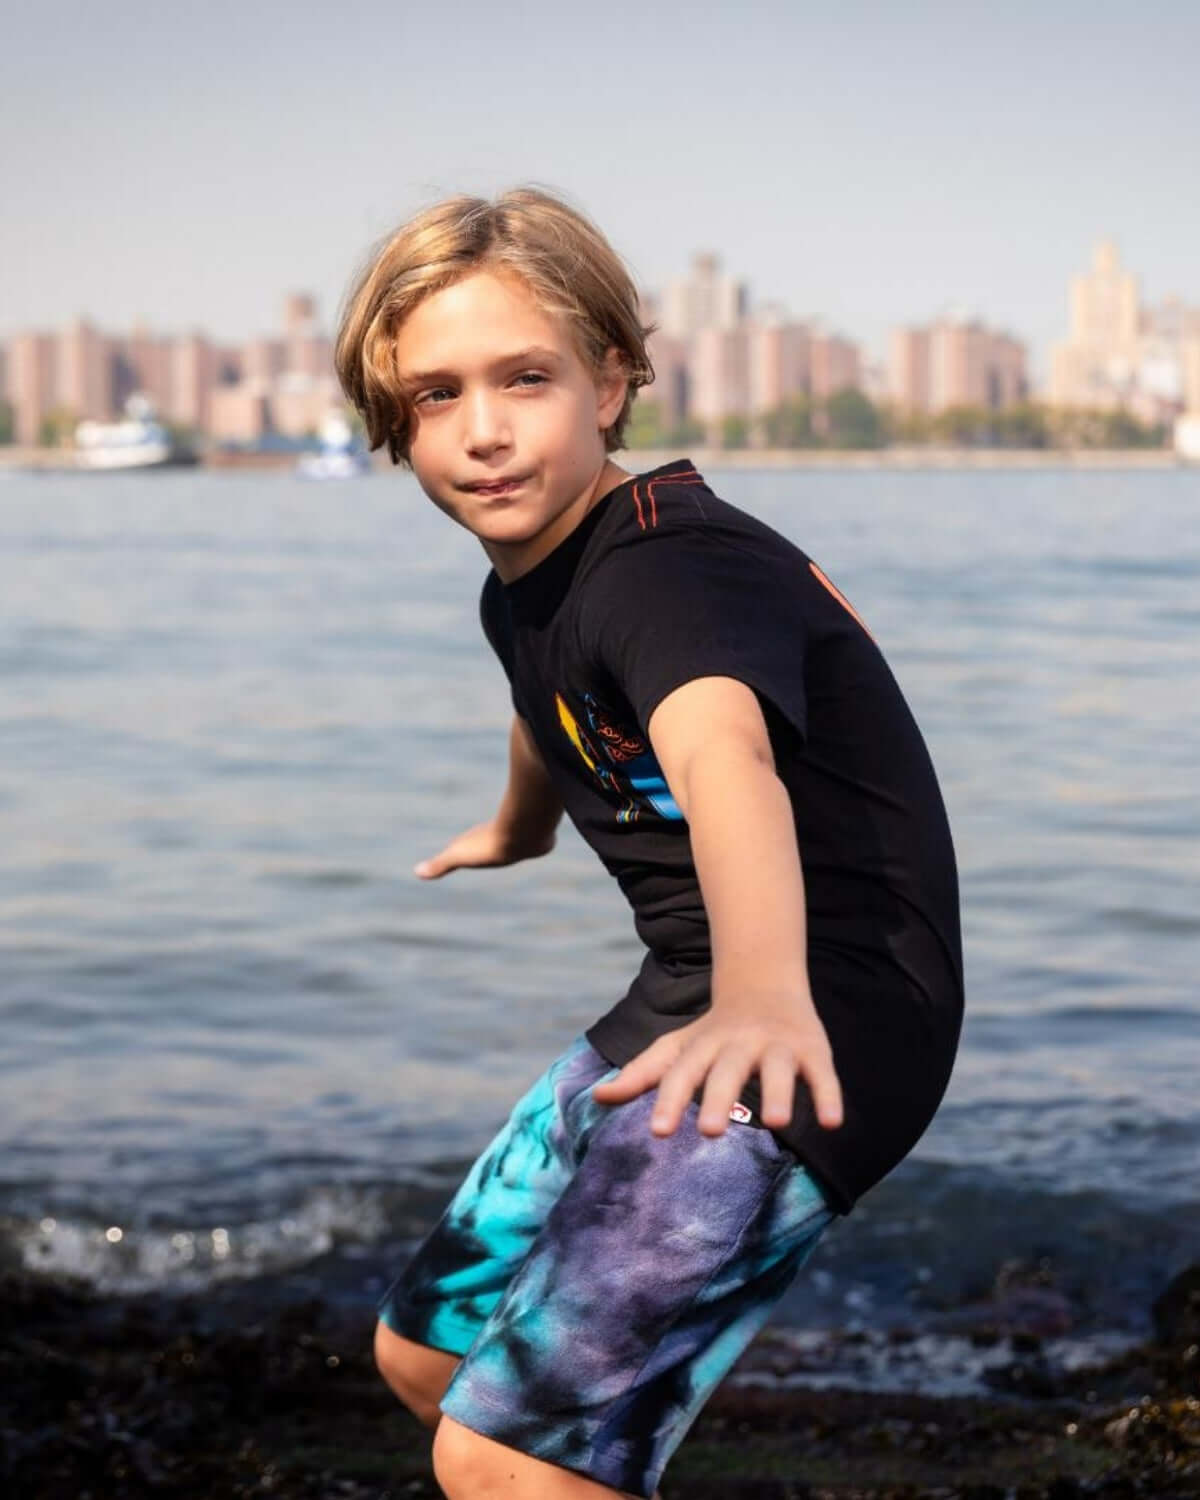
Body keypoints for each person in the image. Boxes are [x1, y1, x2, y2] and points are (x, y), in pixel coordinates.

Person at [334, 186, 963, 1500]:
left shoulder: (671, 570)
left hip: (818, 1012)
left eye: (527, 379)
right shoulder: (530, 584)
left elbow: (721, 760)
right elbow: (550, 696)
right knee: (425, 1355)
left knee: (503, 1461)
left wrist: (762, 998)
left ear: (612, 382)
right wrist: (518, 825)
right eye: (438, 396)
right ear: (395, 422)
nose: (486, 432)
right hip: (690, 993)